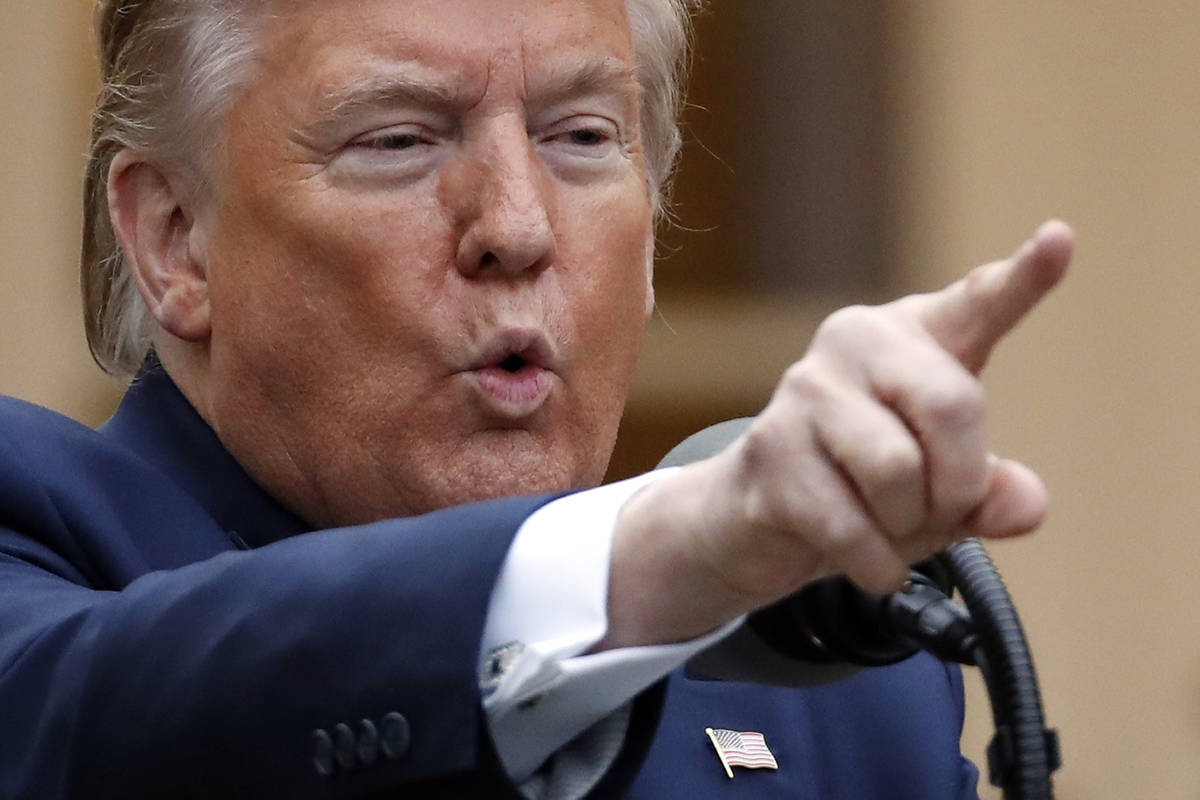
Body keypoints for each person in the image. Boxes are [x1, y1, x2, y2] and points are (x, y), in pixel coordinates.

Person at [0, 0, 1073, 797]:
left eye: (583, 137)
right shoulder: (38, 550)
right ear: (175, 238)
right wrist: (659, 559)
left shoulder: (839, 688)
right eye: (399, 140)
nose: (518, 223)